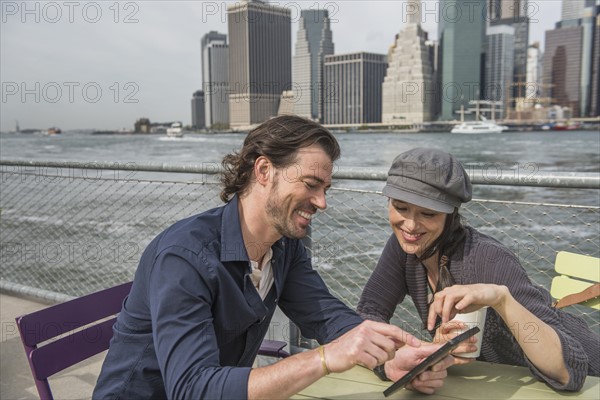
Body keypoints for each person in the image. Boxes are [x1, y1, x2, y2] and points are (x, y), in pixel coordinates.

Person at [93, 117, 454, 399]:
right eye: (311, 185)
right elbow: (193, 389)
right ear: (264, 171)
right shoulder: (184, 257)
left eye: (325, 189)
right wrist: (323, 359)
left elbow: (324, 315)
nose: (322, 202)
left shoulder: (283, 247)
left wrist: (392, 358)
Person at [357, 147, 600, 392]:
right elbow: (369, 314)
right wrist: (408, 355)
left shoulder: (489, 259)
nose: (409, 224)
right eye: (400, 207)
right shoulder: (405, 246)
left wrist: (501, 300)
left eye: (427, 213)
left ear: (451, 215)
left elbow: (571, 371)